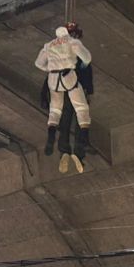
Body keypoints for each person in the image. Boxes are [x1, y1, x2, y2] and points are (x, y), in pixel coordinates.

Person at [35, 25, 92, 173]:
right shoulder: (73, 43)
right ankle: (81, 147)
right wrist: (89, 90)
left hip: (54, 81)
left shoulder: (49, 45)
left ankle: (58, 145)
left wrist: (50, 70)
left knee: (57, 113)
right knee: (81, 111)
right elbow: (87, 61)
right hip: (70, 81)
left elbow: (40, 65)